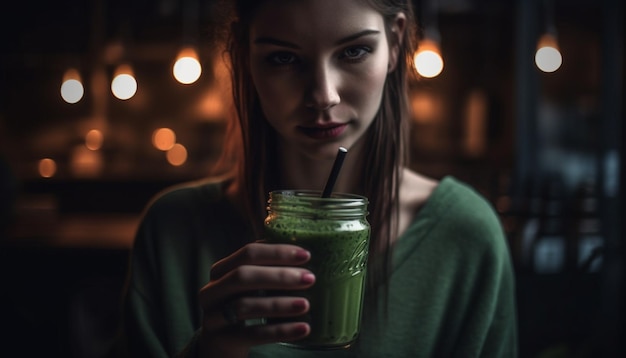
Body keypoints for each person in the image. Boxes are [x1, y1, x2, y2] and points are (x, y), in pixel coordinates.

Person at [117, 0, 518, 356]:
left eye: (354, 51)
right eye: (284, 58)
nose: (323, 95)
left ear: (395, 44)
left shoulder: (465, 235)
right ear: (242, 54)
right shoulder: (173, 230)